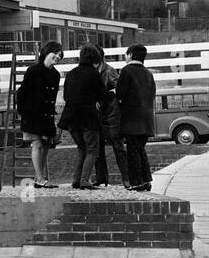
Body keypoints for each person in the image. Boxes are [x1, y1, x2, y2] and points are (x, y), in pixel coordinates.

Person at [57, 44, 111, 190]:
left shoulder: (71, 73)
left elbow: (66, 96)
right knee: (92, 150)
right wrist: (111, 94)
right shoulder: (93, 74)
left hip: (71, 118)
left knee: (82, 148)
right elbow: (103, 95)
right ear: (96, 60)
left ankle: (76, 180)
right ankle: (84, 180)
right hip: (88, 118)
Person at [15, 41, 63, 187]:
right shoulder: (33, 70)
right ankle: (40, 179)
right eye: (55, 53)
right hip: (32, 114)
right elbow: (22, 92)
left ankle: (38, 177)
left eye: (60, 55)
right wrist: (22, 111)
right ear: (46, 53)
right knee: (37, 145)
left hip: (46, 116)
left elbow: (52, 98)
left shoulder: (55, 74)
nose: (57, 57)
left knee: (46, 146)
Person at [115, 44, 157, 192]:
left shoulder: (127, 71)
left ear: (131, 55)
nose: (125, 57)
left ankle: (136, 182)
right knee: (140, 150)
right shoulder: (148, 73)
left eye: (126, 54)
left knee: (133, 152)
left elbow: (120, 93)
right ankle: (146, 181)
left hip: (132, 119)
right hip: (147, 121)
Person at [95, 58, 129, 188]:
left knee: (118, 147)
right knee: (98, 147)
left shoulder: (109, 71)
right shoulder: (95, 71)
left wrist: (105, 95)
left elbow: (118, 90)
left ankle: (126, 178)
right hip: (100, 114)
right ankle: (101, 178)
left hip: (112, 114)